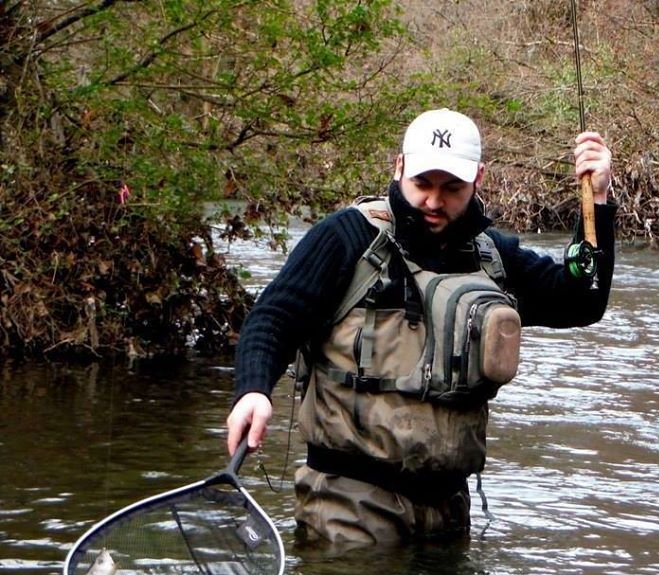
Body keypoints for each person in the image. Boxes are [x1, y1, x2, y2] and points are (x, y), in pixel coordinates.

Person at [226, 108, 615, 546]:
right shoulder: (347, 237)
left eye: (451, 188)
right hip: (349, 503)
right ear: (399, 168)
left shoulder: (492, 258)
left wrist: (597, 204)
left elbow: (581, 302)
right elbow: (273, 318)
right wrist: (253, 389)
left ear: (478, 179)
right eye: (423, 184)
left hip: (448, 508)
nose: (434, 201)